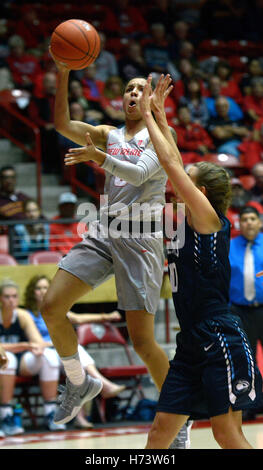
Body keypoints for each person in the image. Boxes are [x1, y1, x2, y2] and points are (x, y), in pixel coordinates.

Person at [40, 49, 177, 444]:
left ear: (153, 100)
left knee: (143, 342)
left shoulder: (162, 137)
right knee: (51, 306)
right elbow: (62, 122)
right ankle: (79, 382)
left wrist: (99, 158)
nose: (133, 94)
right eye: (128, 89)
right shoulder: (109, 133)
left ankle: (178, 416)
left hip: (142, 240)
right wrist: (64, 72)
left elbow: (138, 173)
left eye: (140, 89)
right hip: (104, 231)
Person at [139, 73, 262, 449]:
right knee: (162, 430)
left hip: (220, 335)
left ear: (202, 193)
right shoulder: (186, 222)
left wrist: (147, 115)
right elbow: (175, 161)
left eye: (189, 183)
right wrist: (161, 116)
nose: (178, 186)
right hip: (191, 340)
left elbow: (171, 165)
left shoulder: (209, 220)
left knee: (226, 434)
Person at [24, 275, 126, 429]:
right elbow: (36, 341)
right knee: (72, 355)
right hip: (42, 354)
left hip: (59, 353)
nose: (42, 291)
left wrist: (107, 316)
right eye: (38, 288)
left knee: (76, 366)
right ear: (32, 292)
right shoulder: (28, 314)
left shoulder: (54, 309)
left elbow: (78, 319)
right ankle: (104, 385)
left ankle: (81, 415)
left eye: (45, 287)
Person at [0, 278, 66, 436]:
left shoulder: (22, 315)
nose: (11, 300)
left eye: (14, 296)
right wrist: (23, 345)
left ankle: (51, 413)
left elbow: (37, 341)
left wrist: (36, 347)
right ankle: (5, 416)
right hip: (5, 362)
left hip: (21, 363)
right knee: (8, 358)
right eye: (7, 296)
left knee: (48, 356)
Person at [229, 206, 263, 365]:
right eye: (244, 220)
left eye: (252, 219)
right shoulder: (229, 247)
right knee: (247, 360)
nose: (249, 223)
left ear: (260, 222)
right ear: (239, 224)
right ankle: (255, 389)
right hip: (240, 312)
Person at [0, 165, 30, 234]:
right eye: (6, 178)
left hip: (26, 238)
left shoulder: (24, 198)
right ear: (1, 179)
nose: (9, 181)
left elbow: (40, 217)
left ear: (15, 179)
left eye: (12, 177)